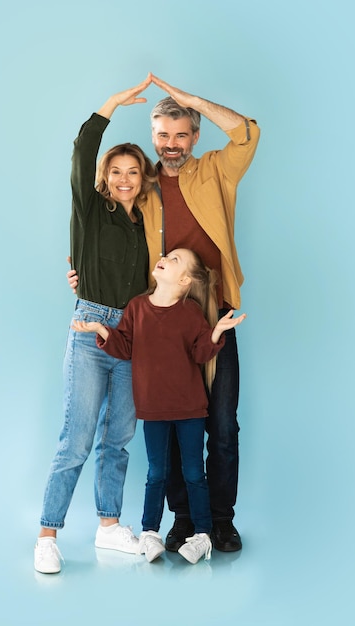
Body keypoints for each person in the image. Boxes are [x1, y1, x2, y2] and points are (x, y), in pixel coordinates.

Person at [68, 75, 260, 554]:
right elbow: (106, 239)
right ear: (153, 137)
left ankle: (220, 520)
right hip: (159, 323)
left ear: (194, 137)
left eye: (180, 134)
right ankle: (183, 521)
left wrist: (194, 100)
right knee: (174, 425)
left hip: (213, 315)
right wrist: (84, 275)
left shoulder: (217, 171)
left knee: (222, 423)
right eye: (162, 135)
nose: (170, 145)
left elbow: (247, 133)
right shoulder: (143, 187)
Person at [34, 76, 158, 574]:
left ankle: (109, 527)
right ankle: (47, 534)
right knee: (77, 437)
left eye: (133, 171)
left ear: (143, 178)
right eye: (116, 170)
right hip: (89, 329)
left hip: (133, 336)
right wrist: (111, 105)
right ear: (104, 176)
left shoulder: (148, 226)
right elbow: (82, 152)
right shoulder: (90, 211)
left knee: (119, 436)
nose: (125, 178)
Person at [73, 248, 246, 564]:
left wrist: (218, 331)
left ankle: (203, 536)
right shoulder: (137, 307)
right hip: (154, 410)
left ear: (184, 280)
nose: (164, 257)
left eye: (175, 259)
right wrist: (100, 329)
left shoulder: (190, 312)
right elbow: (124, 346)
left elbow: (200, 352)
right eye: (167, 254)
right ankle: (150, 532)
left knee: (194, 473)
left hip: (191, 410)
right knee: (156, 474)